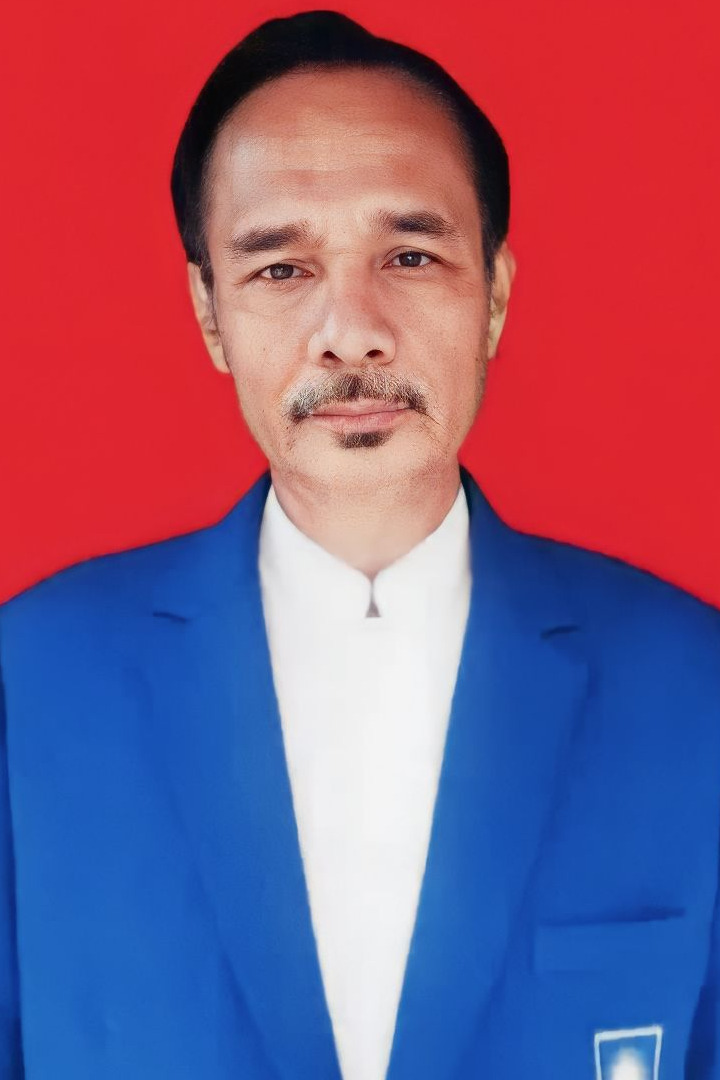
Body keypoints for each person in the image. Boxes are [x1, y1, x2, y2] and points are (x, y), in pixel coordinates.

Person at [0, 9, 718, 1080]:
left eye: (411, 255)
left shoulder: (693, 683)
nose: (352, 331)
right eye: (281, 270)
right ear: (209, 310)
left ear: (495, 296)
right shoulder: (32, 681)